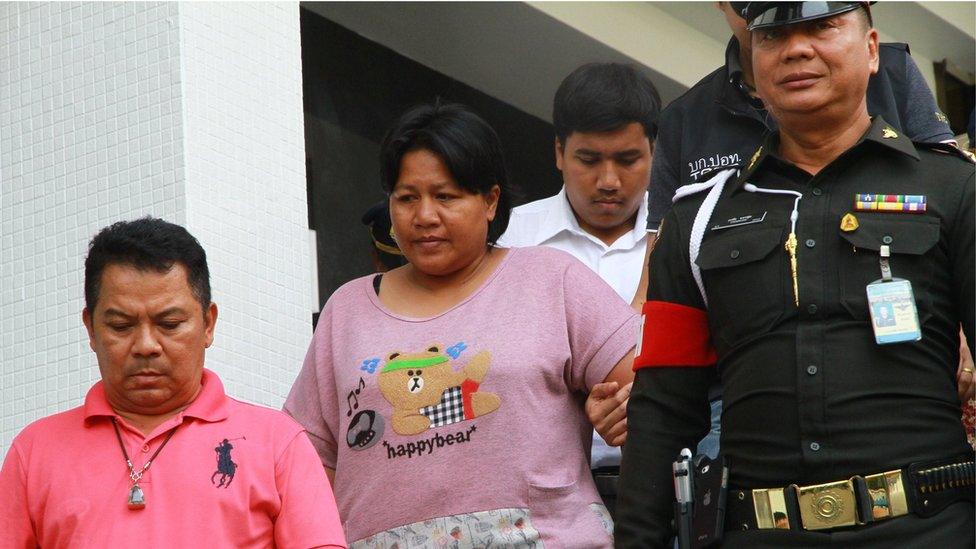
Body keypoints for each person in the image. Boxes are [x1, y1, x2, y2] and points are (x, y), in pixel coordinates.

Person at [617, 2, 975, 547]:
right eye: (773, 35)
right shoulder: (698, 220)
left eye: (822, 27)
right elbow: (661, 409)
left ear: (872, 50)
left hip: (930, 529)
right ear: (755, 68)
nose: (797, 49)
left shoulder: (954, 190)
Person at [284, 102, 638, 547]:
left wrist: (623, 412)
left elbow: (651, 400)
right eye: (406, 197)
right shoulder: (346, 309)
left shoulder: (551, 278)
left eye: (446, 196)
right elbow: (311, 460)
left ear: (490, 200)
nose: (425, 215)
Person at [0, 218, 346, 548]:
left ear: (208, 324)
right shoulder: (34, 452)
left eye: (169, 323)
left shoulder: (278, 444)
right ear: (91, 329)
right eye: (121, 326)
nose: (146, 345)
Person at [496, 62, 661, 515]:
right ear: (558, 153)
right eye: (588, 160)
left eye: (628, 160)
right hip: (541, 502)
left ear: (654, 152)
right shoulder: (509, 240)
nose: (608, 180)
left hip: (666, 490)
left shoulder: (687, 235)